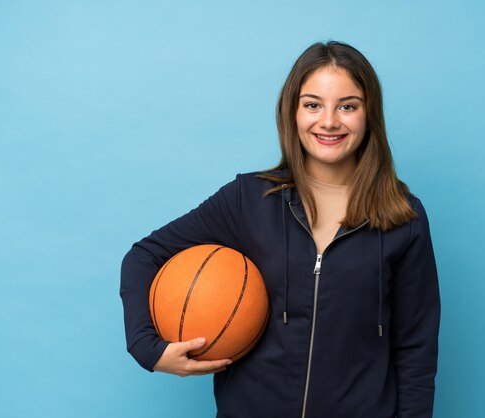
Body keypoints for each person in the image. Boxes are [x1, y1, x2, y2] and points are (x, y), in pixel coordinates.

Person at [120, 40, 441, 418]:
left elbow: (416, 348)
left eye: (348, 106)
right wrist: (149, 349)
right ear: (292, 112)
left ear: (369, 114)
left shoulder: (402, 216)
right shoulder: (249, 199)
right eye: (313, 104)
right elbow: (144, 255)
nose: (329, 121)